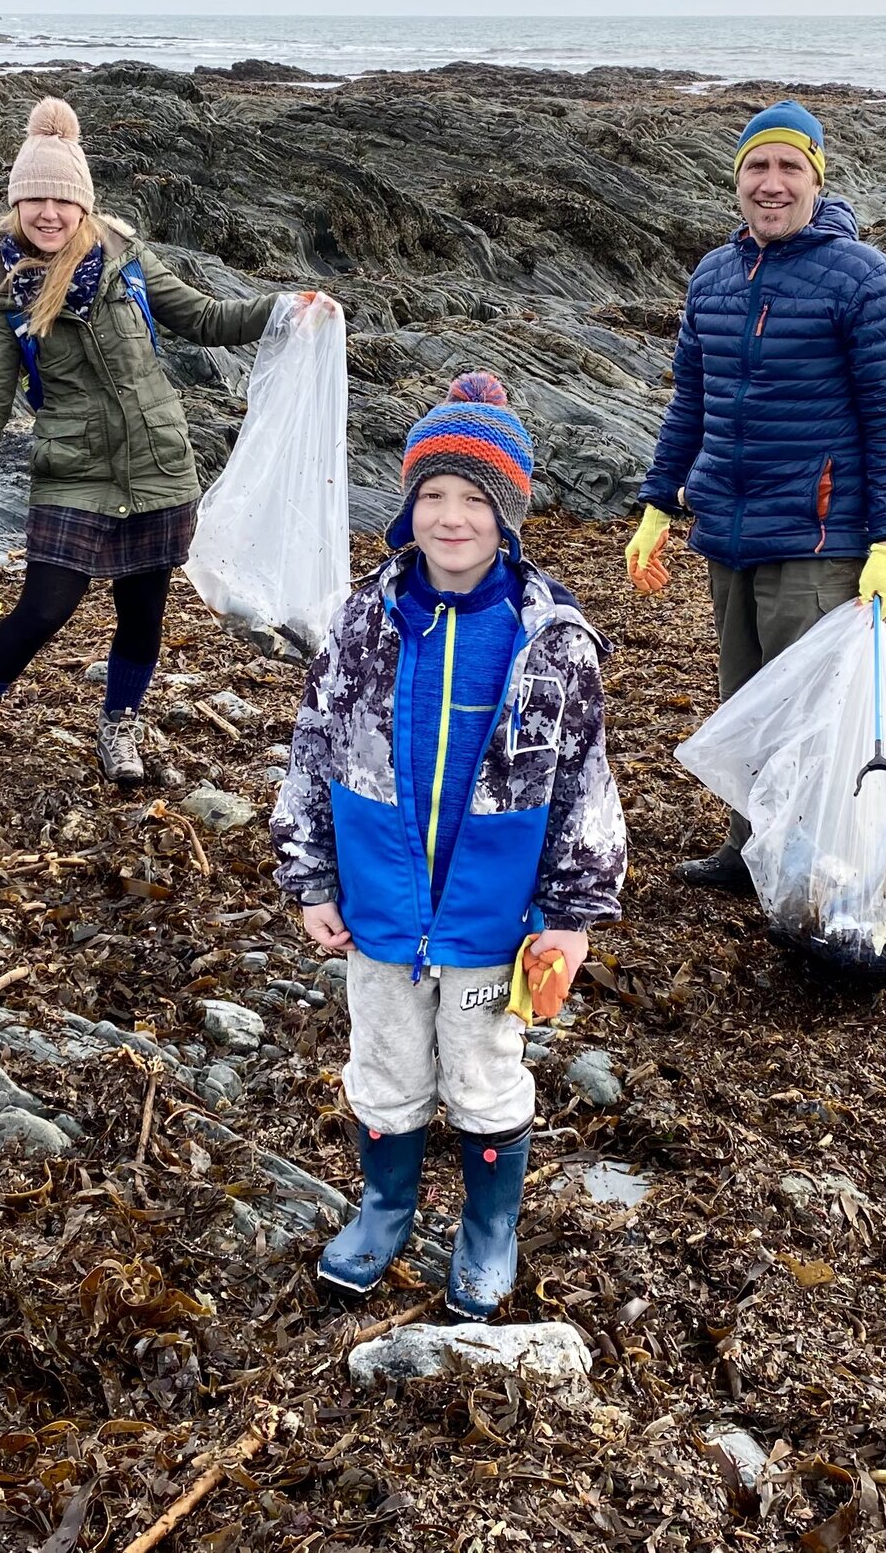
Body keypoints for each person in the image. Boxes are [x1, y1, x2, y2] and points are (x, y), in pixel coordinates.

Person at [272, 375, 626, 1318]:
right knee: (385, 1063)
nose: (451, 516)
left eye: (474, 499)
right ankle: (386, 1204)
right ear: (407, 507)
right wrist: (309, 874)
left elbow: (584, 785)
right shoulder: (362, 624)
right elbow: (314, 749)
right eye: (433, 495)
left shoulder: (553, 643)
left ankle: (487, 1225)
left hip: (491, 919)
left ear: (506, 515)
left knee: (483, 1069)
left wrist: (573, 917)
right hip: (382, 906)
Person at [0, 96, 305, 782]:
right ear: (17, 205)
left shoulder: (128, 263)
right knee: (42, 609)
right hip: (74, 473)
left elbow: (209, 317)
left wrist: (284, 309)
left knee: (142, 612)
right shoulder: (5, 293)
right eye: (34, 199)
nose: (48, 212)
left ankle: (120, 725)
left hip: (159, 466)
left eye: (61, 199)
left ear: (84, 203)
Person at [627, 100, 886, 894]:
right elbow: (691, 400)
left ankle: (817, 872)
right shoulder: (714, 276)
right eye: (757, 166)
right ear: (736, 181)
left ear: (818, 180)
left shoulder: (865, 278)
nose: (772, 183)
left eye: (790, 167)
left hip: (818, 539)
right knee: (748, 707)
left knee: (810, 719)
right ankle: (750, 848)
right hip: (727, 529)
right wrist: (659, 505)